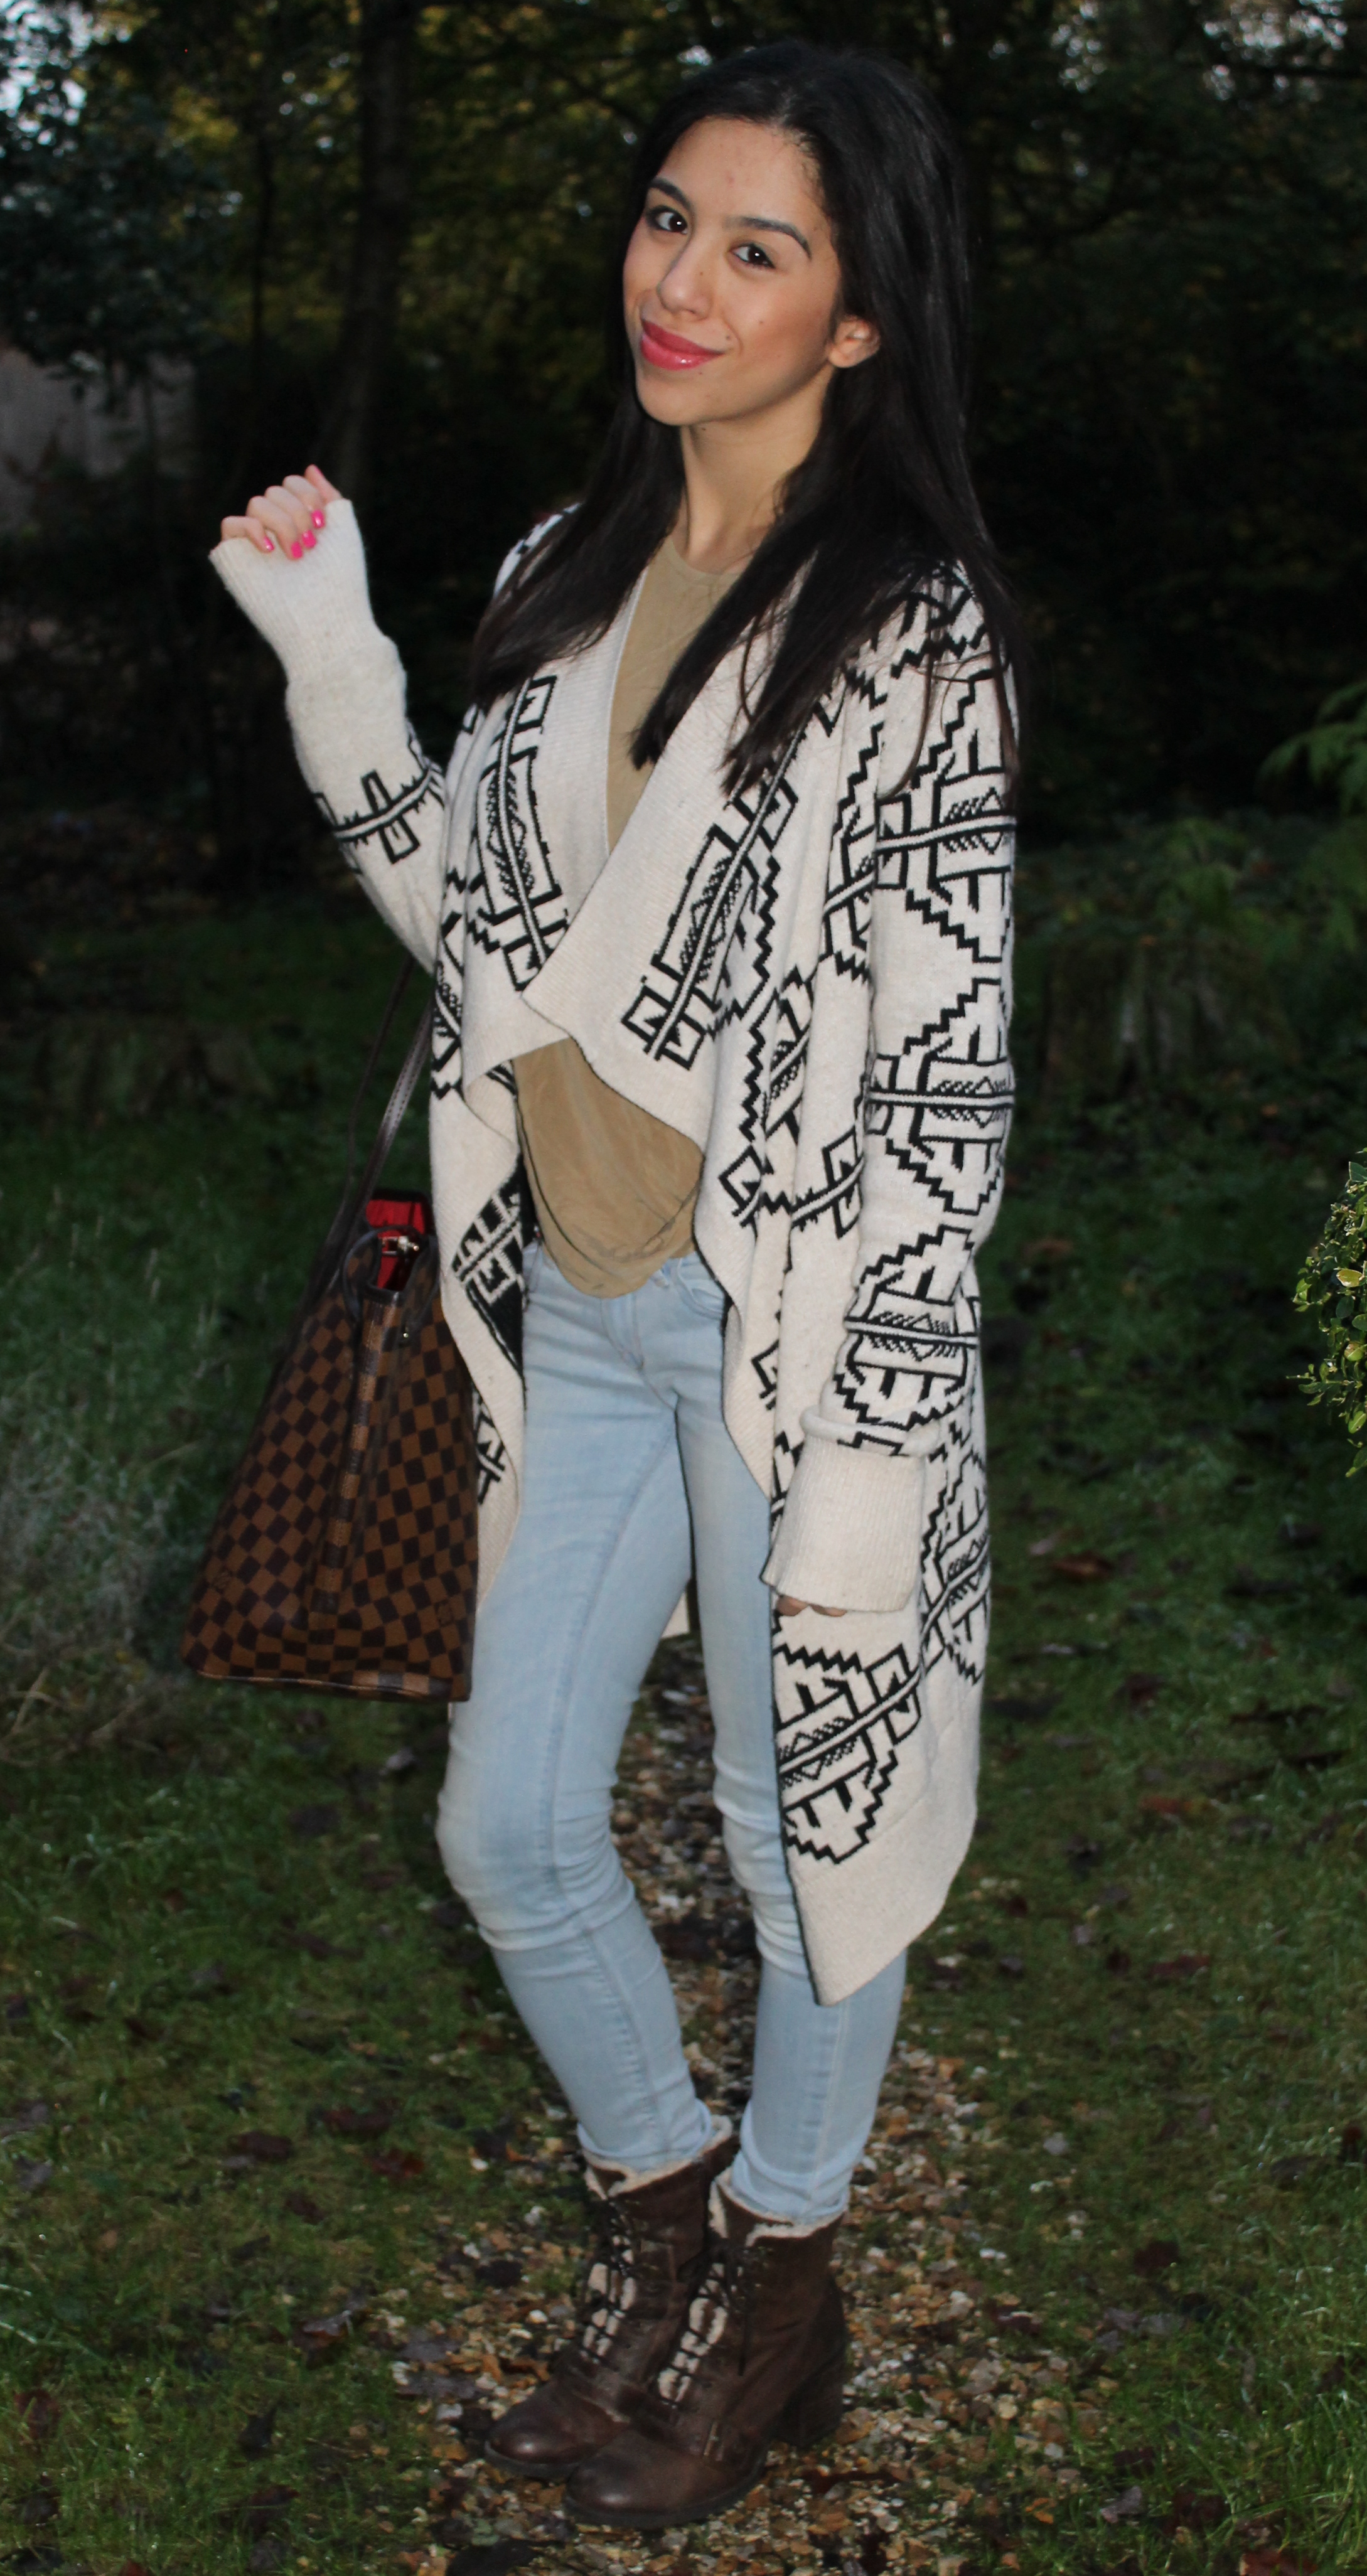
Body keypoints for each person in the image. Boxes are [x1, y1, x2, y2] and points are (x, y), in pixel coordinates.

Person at [212, 37, 1019, 2531]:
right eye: (668, 217)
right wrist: (330, 649)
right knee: (508, 1822)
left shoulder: (912, 637)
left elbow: (945, 1082)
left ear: (858, 320)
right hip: (565, 1311)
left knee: (804, 1852)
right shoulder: (564, 562)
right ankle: (673, 2230)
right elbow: (479, 938)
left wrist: (872, 1465)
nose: (679, 280)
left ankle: (773, 2286)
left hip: (793, 1353)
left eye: (756, 248)